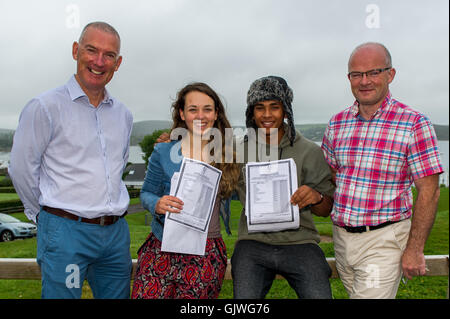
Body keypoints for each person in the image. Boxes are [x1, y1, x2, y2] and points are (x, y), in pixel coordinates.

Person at [8, 22, 133, 299]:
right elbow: (21, 168)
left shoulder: (123, 114)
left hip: (115, 236)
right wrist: (44, 216)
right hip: (66, 233)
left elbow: (118, 166)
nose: (99, 61)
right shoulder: (44, 107)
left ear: (118, 62)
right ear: (76, 51)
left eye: (109, 55)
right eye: (91, 50)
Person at [321, 42, 443, 299]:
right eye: (357, 74)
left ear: (391, 74)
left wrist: (415, 248)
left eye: (374, 72)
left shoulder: (413, 123)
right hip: (342, 240)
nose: (365, 81)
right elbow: (332, 176)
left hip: (384, 241)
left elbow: (429, 191)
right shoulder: (337, 123)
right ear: (349, 78)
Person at [131, 82, 240, 299]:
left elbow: (245, 192)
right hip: (162, 247)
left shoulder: (229, 153)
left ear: (216, 113)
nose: (201, 115)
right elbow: (146, 193)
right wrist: (157, 204)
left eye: (207, 109)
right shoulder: (163, 151)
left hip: (205, 252)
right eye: (193, 109)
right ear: (182, 114)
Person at [231, 76, 335, 299]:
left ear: (286, 111)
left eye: (274, 107)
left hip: (300, 242)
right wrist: (172, 142)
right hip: (252, 243)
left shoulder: (309, 151)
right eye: (259, 108)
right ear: (251, 113)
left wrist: (316, 197)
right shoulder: (237, 150)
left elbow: (325, 210)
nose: (267, 115)